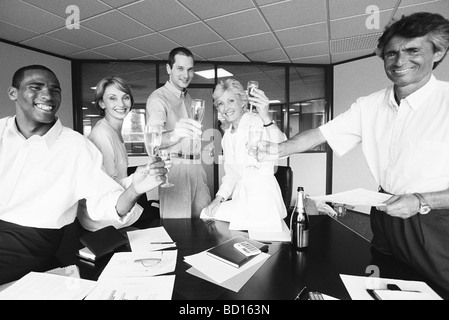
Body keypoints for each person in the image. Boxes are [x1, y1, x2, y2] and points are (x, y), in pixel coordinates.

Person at [256, 12, 449, 291]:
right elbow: (320, 134)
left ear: (438, 52)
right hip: (385, 211)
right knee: (385, 282)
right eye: (391, 53)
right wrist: (277, 148)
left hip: (434, 218)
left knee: (438, 287)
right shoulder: (370, 104)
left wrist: (419, 200)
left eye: (412, 50)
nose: (399, 60)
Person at [0, 65, 167, 285]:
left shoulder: (77, 146)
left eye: (55, 90)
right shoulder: (2, 132)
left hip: (33, 240)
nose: (48, 95)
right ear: (13, 93)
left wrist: (135, 189)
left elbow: (103, 200)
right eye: (36, 87)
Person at [203, 79, 287, 232]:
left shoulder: (257, 121)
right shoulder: (227, 136)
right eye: (221, 103)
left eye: (231, 101)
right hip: (242, 199)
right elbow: (231, 176)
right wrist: (218, 199)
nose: (226, 108)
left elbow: (282, 147)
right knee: (206, 213)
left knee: (260, 240)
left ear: (242, 102)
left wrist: (266, 117)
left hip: (262, 198)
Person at [145, 47, 211, 219]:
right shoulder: (158, 99)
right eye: (180, 68)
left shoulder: (188, 98)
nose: (186, 75)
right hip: (175, 171)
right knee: (178, 230)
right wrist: (175, 134)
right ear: (169, 69)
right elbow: (152, 141)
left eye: (190, 69)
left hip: (197, 167)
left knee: (205, 223)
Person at [88, 76, 134, 187]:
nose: (121, 104)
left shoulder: (113, 131)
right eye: (113, 98)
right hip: (110, 202)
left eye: (125, 97)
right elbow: (108, 185)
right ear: (102, 103)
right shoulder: (102, 134)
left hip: (121, 199)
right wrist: (140, 176)